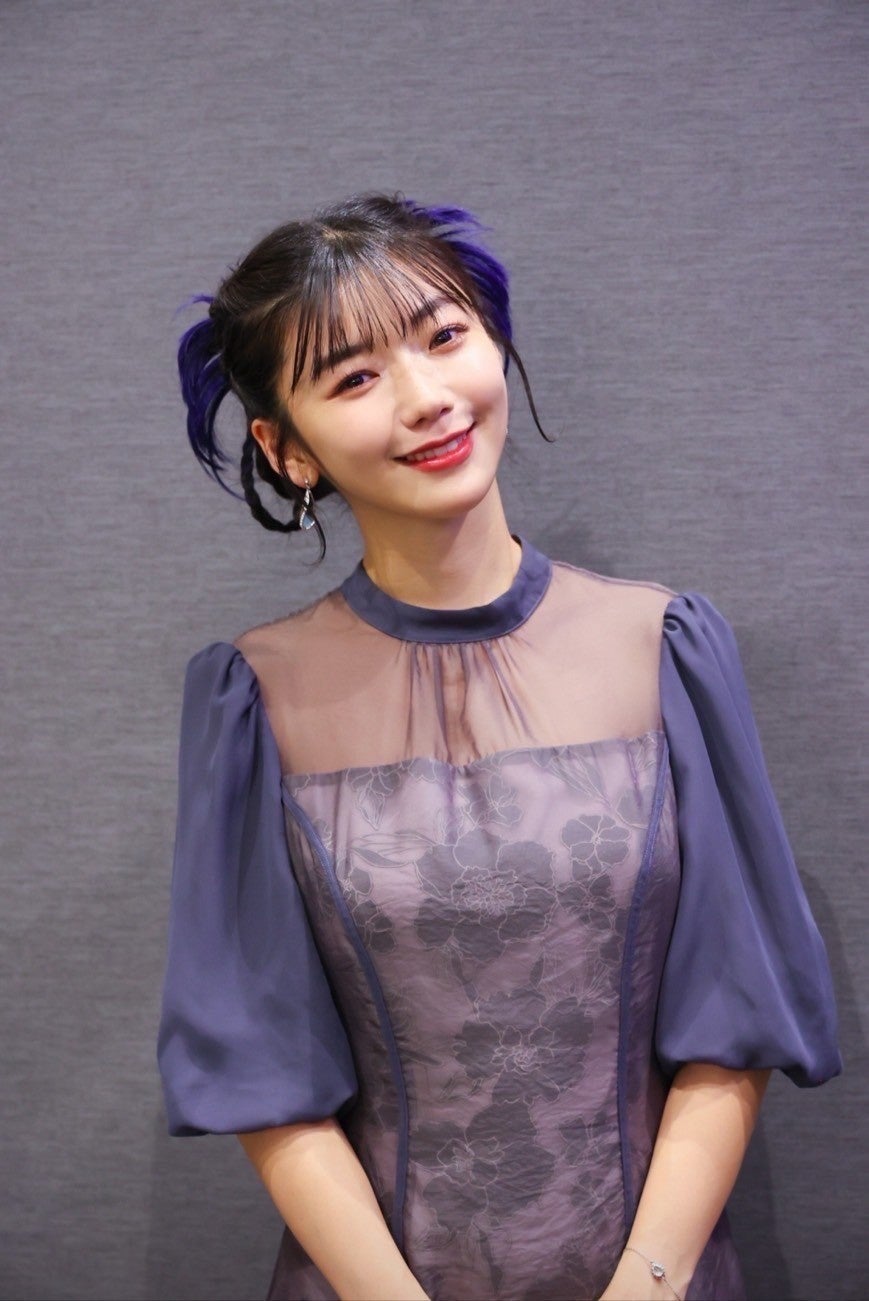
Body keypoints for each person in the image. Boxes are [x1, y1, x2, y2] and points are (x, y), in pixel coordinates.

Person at [157, 194, 841, 1301]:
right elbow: (265, 1073)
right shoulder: (254, 696)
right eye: (353, 377)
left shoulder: (664, 646)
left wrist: (646, 1285)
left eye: (443, 336)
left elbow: (735, 1018)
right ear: (286, 450)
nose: (426, 396)